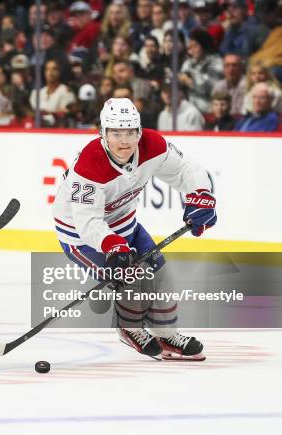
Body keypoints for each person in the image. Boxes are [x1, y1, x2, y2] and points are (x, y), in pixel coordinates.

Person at [53, 98, 216, 361]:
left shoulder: (153, 145)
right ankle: (129, 328)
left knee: (161, 274)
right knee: (134, 278)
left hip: (126, 224)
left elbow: (186, 168)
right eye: (116, 132)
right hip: (81, 236)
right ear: (103, 134)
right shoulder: (89, 165)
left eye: (130, 131)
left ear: (138, 131)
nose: (124, 140)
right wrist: (112, 246)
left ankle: (166, 334)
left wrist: (200, 195)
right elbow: (87, 222)